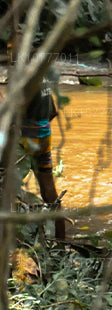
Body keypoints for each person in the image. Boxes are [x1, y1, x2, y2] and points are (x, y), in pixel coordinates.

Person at [20, 80, 67, 240]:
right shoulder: (44, 77)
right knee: (49, 192)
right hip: (44, 135)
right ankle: (62, 242)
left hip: (26, 138)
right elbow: (53, 111)